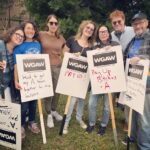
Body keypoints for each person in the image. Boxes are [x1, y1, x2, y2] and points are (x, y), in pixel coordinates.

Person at [122, 12, 150, 150]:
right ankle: (131, 136)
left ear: (146, 23)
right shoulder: (133, 40)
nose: (137, 26)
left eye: (140, 23)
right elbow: (123, 57)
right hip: (131, 83)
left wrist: (142, 59)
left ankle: (144, 145)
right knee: (130, 112)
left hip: (146, 86)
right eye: (135, 24)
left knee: (144, 118)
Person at [62, 20, 96, 134]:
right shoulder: (72, 40)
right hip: (72, 76)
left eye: (92, 29)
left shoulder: (92, 46)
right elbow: (64, 54)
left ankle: (79, 118)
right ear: (83, 27)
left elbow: (93, 61)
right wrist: (72, 56)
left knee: (82, 99)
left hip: (84, 78)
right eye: (88, 27)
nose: (89, 30)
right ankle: (66, 122)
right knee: (71, 101)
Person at [86, 25, 119, 135]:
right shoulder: (94, 47)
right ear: (98, 35)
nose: (103, 33)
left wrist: (112, 50)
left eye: (105, 31)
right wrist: (97, 52)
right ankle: (91, 123)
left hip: (111, 82)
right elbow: (90, 63)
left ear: (109, 33)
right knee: (91, 103)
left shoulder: (116, 45)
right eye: (101, 32)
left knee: (107, 106)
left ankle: (103, 126)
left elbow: (120, 60)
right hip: (97, 82)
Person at [14, 21, 41, 139]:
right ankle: (21, 125)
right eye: (28, 28)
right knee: (24, 105)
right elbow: (16, 65)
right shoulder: (19, 46)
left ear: (34, 31)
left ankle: (31, 122)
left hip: (36, 80)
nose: (30, 31)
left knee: (34, 103)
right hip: (24, 80)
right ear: (24, 30)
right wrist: (16, 80)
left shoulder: (38, 44)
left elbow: (41, 62)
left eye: (32, 29)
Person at [109, 9, 135, 131]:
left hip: (130, 67)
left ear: (123, 20)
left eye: (119, 21)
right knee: (113, 93)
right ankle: (110, 114)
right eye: (114, 23)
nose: (117, 24)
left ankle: (127, 120)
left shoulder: (133, 30)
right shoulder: (111, 34)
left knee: (127, 94)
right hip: (116, 69)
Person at [39, 14, 65, 128]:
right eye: (51, 23)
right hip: (45, 67)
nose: (53, 25)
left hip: (58, 67)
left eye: (55, 23)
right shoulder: (41, 35)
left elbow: (66, 51)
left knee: (57, 91)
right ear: (47, 24)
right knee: (48, 92)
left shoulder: (61, 37)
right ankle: (49, 113)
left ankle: (54, 110)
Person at [0, 26, 24, 102]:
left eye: (22, 37)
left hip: (7, 86)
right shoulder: (1, 44)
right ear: (11, 34)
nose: (20, 37)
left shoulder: (17, 51)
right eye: (18, 34)